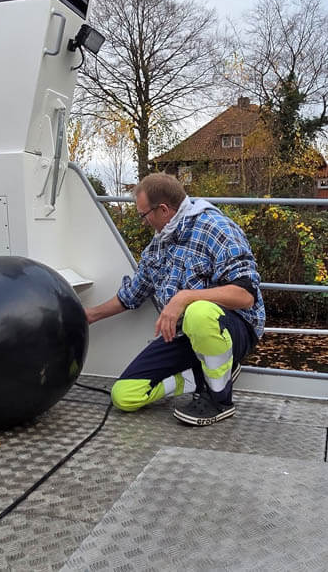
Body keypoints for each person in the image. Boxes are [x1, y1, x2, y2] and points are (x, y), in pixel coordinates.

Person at [85, 172, 265, 425]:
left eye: (143, 215)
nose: (143, 222)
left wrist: (185, 297)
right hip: (185, 336)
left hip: (232, 329)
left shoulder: (216, 229)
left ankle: (219, 400)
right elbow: (132, 295)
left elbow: (246, 296)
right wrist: (89, 316)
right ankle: (205, 376)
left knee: (198, 312)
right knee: (124, 396)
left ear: (164, 210)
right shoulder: (157, 246)